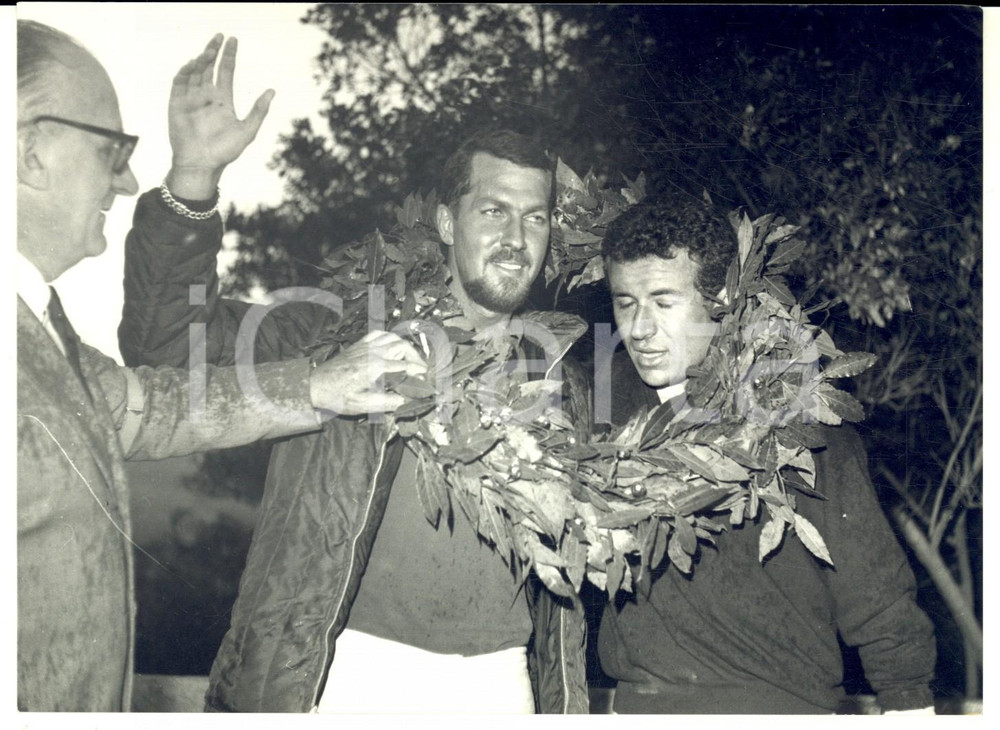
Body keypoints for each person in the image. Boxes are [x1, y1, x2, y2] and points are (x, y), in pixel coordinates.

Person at [116, 36, 590, 714]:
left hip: (502, 682)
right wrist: (192, 181)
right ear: (448, 221)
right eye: (493, 210)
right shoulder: (337, 333)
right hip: (347, 671)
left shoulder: (561, 380)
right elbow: (165, 349)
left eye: (535, 217)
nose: (516, 236)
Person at [15, 20, 425, 712]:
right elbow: (176, 357)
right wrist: (195, 183)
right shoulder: (334, 323)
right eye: (110, 150)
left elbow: (156, 409)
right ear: (31, 154)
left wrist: (319, 385)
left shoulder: (47, 342)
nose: (128, 176)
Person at [595, 195, 937, 713]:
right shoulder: (606, 405)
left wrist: (912, 707)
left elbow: (880, 600)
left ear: (722, 296)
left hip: (775, 705)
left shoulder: (799, 418)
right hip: (640, 705)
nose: (640, 329)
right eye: (625, 303)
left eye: (664, 302)